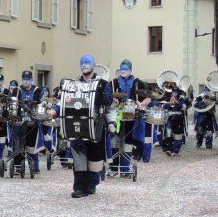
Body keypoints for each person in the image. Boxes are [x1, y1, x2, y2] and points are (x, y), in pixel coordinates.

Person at [48, 54, 113, 198]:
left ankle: (91, 184)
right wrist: (55, 110)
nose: (84, 65)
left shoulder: (102, 84)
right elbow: (64, 101)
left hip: (96, 126)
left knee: (95, 159)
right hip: (77, 125)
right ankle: (79, 187)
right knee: (79, 156)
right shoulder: (73, 84)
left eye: (87, 62)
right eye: (82, 63)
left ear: (94, 65)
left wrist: (111, 123)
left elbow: (110, 108)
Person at [109, 59, 151, 176]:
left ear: (131, 70)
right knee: (114, 140)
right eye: (122, 68)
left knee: (128, 140)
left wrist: (141, 104)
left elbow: (149, 97)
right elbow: (106, 97)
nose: (123, 71)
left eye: (126, 69)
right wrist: (111, 100)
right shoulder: (113, 83)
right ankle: (113, 168)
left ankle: (125, 168)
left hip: (131, 114)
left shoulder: (138, 83)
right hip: (116, 115)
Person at [14, 70, 45, 173]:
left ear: (31, 79)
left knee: (32, 145)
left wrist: (28, 106)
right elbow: (13, 102)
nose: (25, 81)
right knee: (19, 144)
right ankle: (18, 166)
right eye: (24, 79)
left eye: (27, 79)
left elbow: (37, 102)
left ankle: (34, 167)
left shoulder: (37, 90)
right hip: (19, 121)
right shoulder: (17, 90)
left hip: (32, 121)